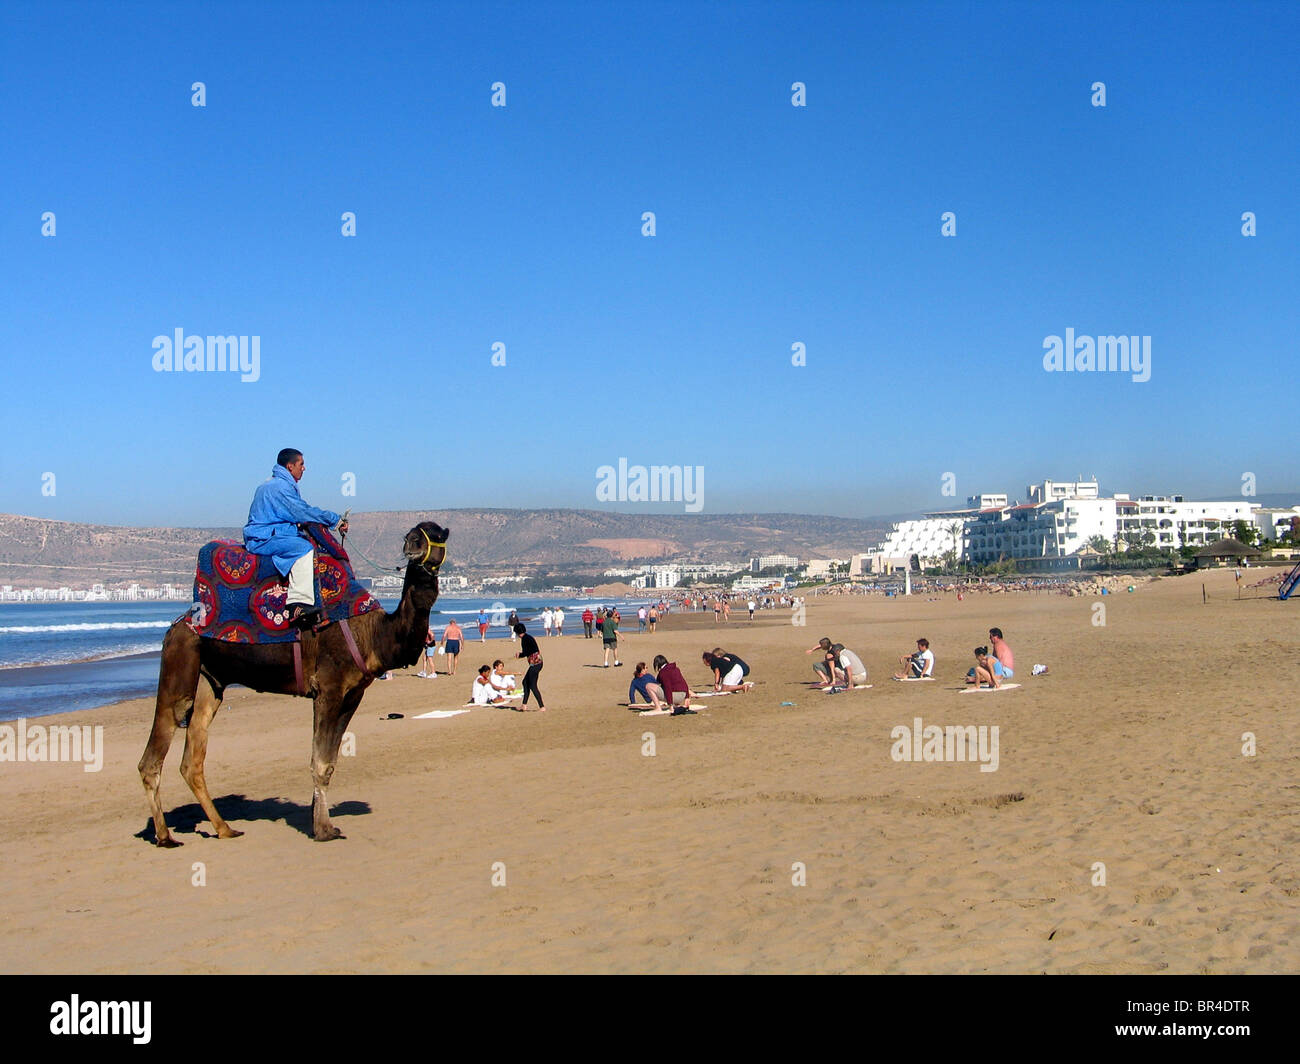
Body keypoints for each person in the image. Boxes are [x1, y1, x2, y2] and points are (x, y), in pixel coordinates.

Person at [242, 448, 347, 629]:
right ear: (290, 467)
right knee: (303, 548)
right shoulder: (279, 488)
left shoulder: (276, 485)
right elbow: (302, 511)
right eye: (301, 464)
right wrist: (334, 520)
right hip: (263, 538)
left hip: (272, 534)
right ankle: (298, 604)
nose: (304, 468)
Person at [514, 623, 546, 711]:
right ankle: (524, 705)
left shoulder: (524, 639)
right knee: (525, 682)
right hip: (537, 663)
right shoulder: (528, 637)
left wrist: (519, 654)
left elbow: (526, 652)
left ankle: (542, 707)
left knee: (532, 685)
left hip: (535, 664)